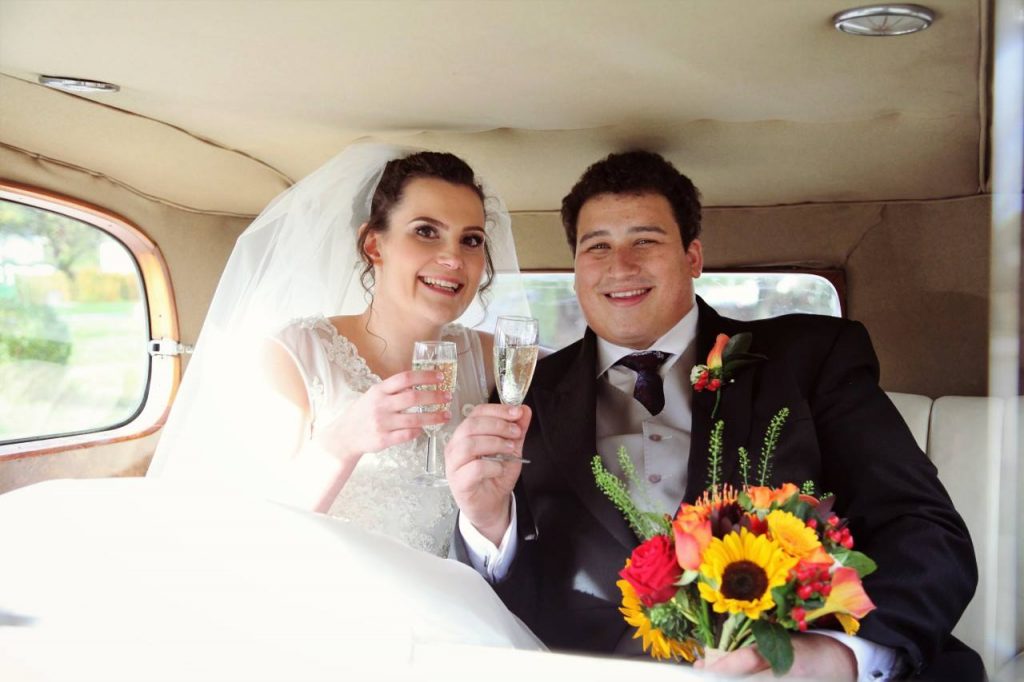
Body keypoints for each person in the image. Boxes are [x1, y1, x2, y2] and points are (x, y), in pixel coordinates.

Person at [444, 151, 983, 680]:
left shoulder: (809, 358)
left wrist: (839, 656)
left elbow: (923, 528)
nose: (620, 266)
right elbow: (517, 599)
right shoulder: (525, 393)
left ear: (693, 258)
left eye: (645, 241)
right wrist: (489, 526)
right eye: (597, 246)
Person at [147, 143, 529, 558]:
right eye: (425, 231)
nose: (453, 258)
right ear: (373, 246)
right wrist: (344, 441)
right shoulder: (293, 357)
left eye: (470, 240)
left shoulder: (498, 361)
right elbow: (252, 536)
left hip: (455, 596)